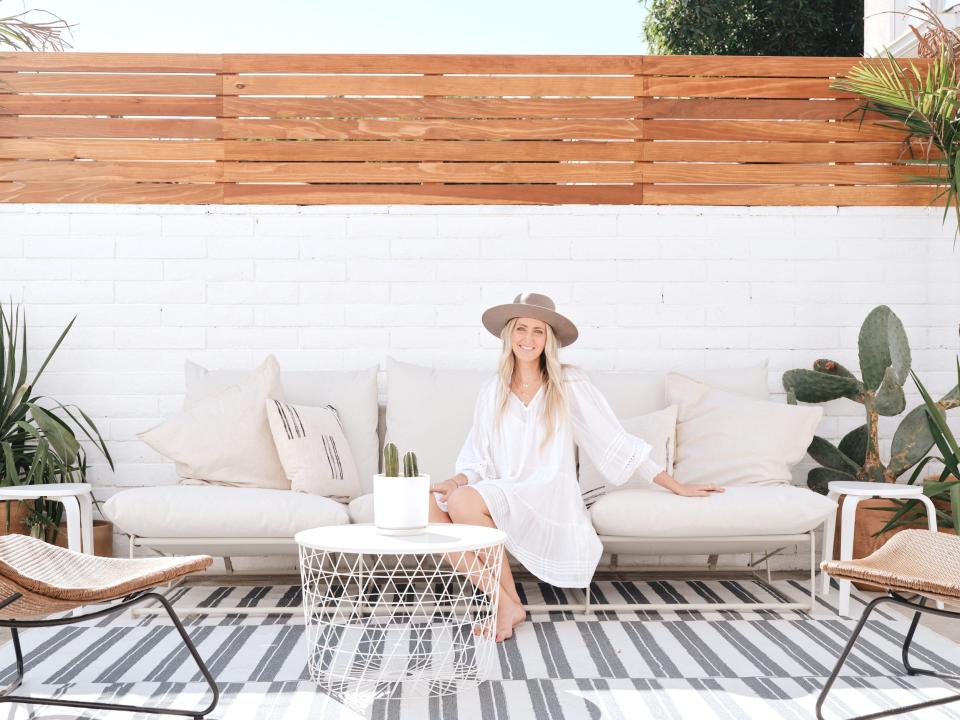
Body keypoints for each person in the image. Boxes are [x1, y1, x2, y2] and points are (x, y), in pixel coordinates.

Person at [428, 292, 724, 642]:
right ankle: (506, 602)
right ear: (509, 335)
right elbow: (477, 455)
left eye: (538, 331)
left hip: (547, 489)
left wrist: (675, 485)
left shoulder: (568, 382)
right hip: (504, 486)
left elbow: (612, 440)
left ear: (549, 339)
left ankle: (503, 605)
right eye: (521, 329)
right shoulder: (492, 390)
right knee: (426, 505)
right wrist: (455, 480)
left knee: (463, 502)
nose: (528, 338)